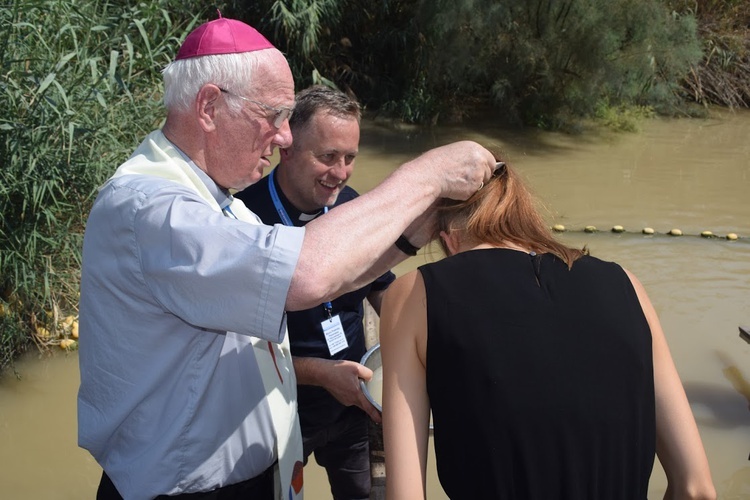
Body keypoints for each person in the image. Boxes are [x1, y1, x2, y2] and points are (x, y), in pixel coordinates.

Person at [76, 15, 497, 500]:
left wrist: (410, 237)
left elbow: (334, 276)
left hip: (258, 475)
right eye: (273, 115)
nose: (282, 138)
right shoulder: (151, 206)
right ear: (210, 105)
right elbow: (304, 276)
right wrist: (425, 176)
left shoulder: (222, 203)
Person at [379, 161, 716, 499]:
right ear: (525, 220)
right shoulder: (627, 285)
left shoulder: (414, 295)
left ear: (448, 239)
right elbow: (697, 489)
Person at [236, 85, 391, 499]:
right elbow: (235, 348)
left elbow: (383, 291)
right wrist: (321, 374)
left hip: (353, 401)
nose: (340, 172)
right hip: (277, 411)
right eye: (327, 157)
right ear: (285, 147)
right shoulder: (243, 221)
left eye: (350, 158)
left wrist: (418, 341)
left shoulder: (350, 207)